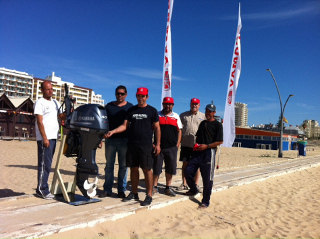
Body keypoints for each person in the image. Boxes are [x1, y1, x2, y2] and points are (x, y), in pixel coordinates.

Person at [106, 87, 161, 206]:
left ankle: (149, 195)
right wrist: (113, 131)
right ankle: (134, 193)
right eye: (139, 96)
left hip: (146, 145)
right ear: (136, 96)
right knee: (133, 169)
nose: (140, 98)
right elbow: (125, 125)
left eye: (143, 96)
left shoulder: (152, 111)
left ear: (147, 97)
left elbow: (157, 128)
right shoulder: (131, 110)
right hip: (132, 144)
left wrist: (158, 144)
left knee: (147, 169)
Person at [185, 102, 223, 209]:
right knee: (188, 171)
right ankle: (193, 189)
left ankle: (205, 201)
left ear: (214, 113)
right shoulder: (202, 123)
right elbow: (198, 137)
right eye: (207, 111)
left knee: (207, 178)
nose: (208, 113)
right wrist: (197, 146)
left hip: (209, 153)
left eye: (210, 112)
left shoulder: (218, 125)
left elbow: (220, 141)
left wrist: (207, 146)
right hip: (198, 151)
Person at [100, 85, 133, 199]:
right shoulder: (108, 106)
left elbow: (130, 125)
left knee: (123, 166)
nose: (120, 95)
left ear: (126, 95)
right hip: (110, 140)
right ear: (115, 94)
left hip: (125, 140)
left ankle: (121, 190)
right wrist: (101, 138)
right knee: (109, 165)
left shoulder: (130, 107)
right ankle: (107, 189)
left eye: (122, 94)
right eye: (118, 93)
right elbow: (103, 122)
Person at [34, 80, 64, 199]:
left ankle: (44, 187)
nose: (50, 91)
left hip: (54, 137)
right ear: (42, 90)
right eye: (48, 89)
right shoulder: (39, 102)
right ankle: (41, 189)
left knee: (48, 163)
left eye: (51, 89)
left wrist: (68, 109)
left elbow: (61, 116)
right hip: (45, 138)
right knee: (44, 164)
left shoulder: (56, 102)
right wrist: (44, 138)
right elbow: (40, 121)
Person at [153, 97, 182, 197]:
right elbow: (151, 129)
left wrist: (177, 144)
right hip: (158, 146)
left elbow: (180, 131)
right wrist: (154, 143)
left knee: (170, 168)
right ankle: (154, 186)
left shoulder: (176, 116)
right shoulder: (157, 114)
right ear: (163, 104)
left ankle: (168, 187)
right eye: (166, 104)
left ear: (172, 105)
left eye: (170, 104)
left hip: (171, 147)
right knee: (156, 167)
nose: (168, 106)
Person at [178, 98, 206, 191]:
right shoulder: (183, 115)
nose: (194, 105)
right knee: (185, 164)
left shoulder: (203, 116)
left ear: (199, 105)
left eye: (196, 104)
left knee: (196, 166)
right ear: (190, 104)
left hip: (197, 145)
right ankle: (184, 183)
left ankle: (196, 184)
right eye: (192, 104)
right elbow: (179, 129)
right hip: (185, 144)